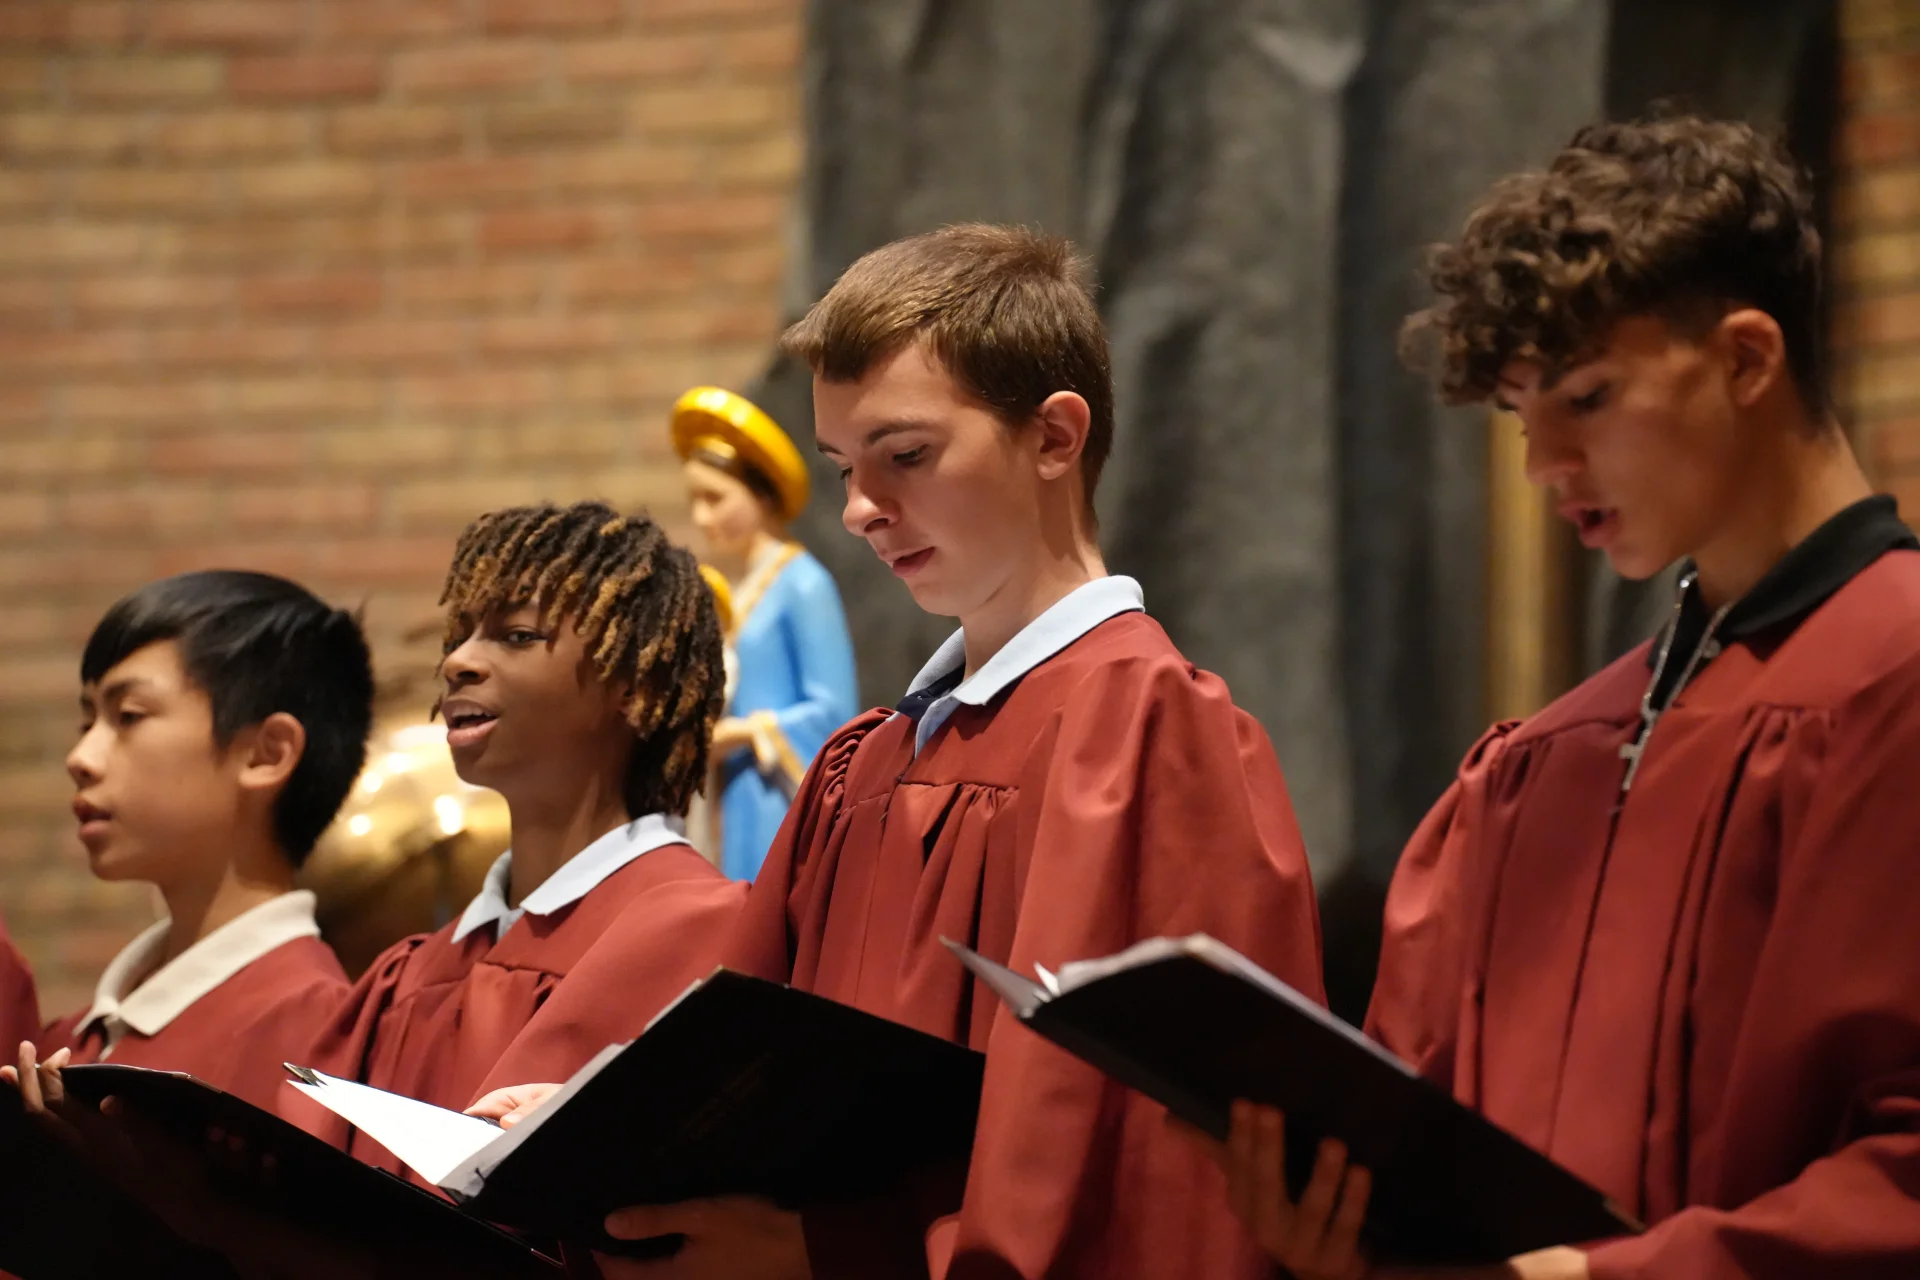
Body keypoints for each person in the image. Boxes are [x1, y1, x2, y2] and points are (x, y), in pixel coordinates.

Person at [478, 224, 1326, 1280]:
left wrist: (834, 1249)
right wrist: (589, 1127)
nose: (862, 510)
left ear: (1056, 435)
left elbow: (1143, 1170)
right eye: (845, 466)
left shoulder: (1144, 732)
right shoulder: (861, 769)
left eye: (906, 456)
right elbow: (740, 1068)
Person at [1207, 116, 1920, 1279]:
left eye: (1587, 398)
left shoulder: (1895, 677)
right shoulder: (1552, 752)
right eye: (1521, 413)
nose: (1544, 463)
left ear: (1747, 358)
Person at [293, 501, 749, 1172]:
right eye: (461, 634)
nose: (458, 663)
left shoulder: (712, 937)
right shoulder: (408, 976)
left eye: (516, 636)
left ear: (636, 683)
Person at [0, 570, 372, 1112]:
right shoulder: (74, 1037)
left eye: (128, 717)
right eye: (88, 723)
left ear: (265, 754)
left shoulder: (317, 1038)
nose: (80, 759)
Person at [672, 385, 859, 881]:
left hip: (775, 794)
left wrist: (744, 731)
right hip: (737, 793)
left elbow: (833, 712)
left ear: (759, 493)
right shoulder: (745, 589)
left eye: (715, 498)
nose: (702, 517)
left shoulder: (803, 584)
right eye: (695, 500)